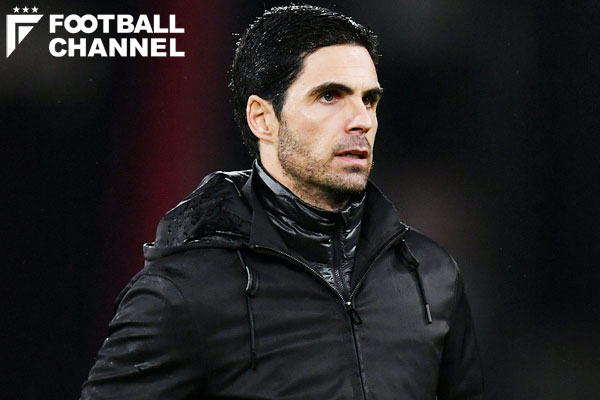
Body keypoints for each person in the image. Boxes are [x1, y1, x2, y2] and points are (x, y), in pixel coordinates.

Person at [81, 5, 483, 399]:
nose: (361, 120)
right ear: (263, 119)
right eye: (330, 96)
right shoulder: (187, 290)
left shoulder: (431, 275)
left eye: (368, 100)